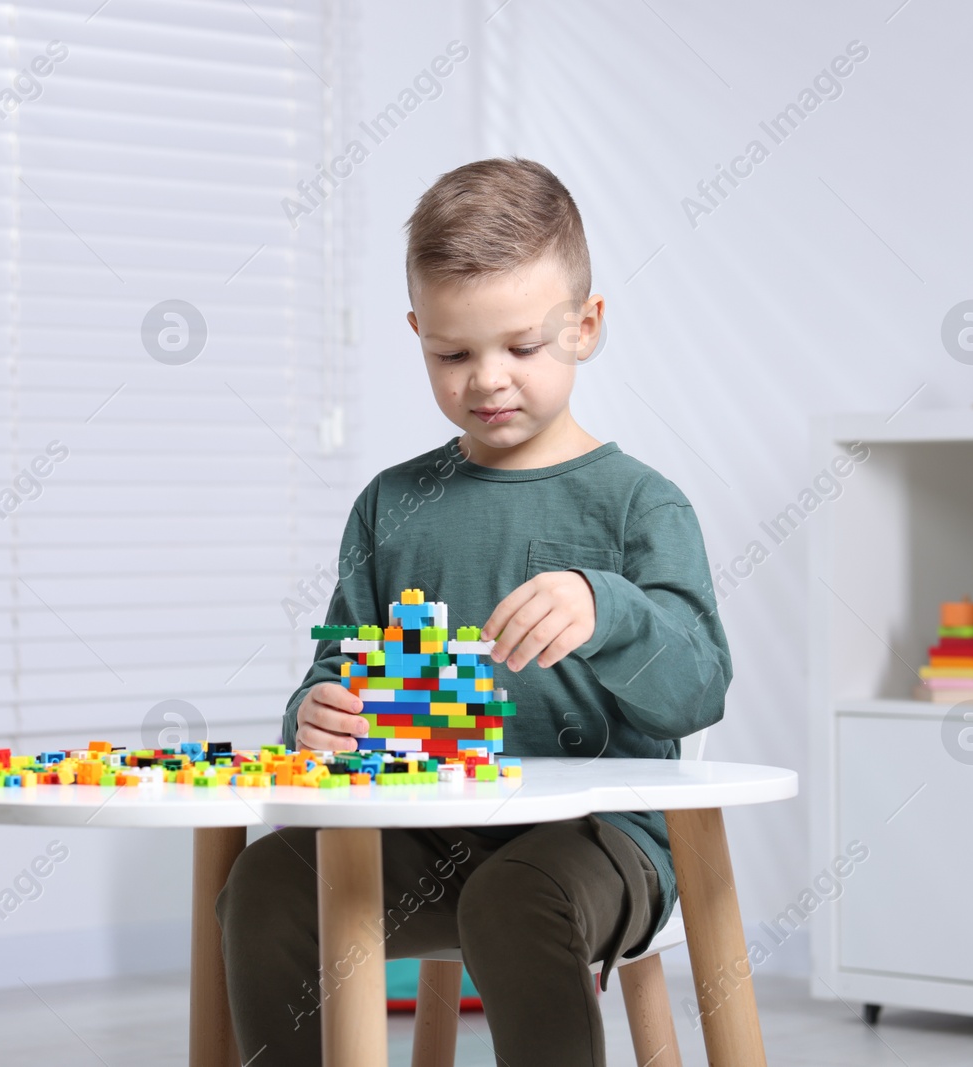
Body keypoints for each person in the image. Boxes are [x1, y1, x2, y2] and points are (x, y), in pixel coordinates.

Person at [216, 156, 732, 1066]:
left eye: (522, 347)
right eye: (453, 354)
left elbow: (697, 688)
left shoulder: (640, 505)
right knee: (266, 880)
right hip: (427, 830)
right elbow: (339, 664)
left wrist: (605, 608)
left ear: (587, 326)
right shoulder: (391, 503)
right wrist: (314, 716)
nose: (488, 380)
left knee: (515, 896)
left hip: (601, 845)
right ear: (417, 332)